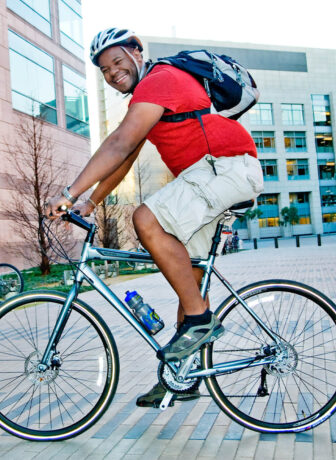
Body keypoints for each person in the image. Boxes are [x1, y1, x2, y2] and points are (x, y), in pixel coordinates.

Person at [45, 28, 263, 407]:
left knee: (146, 219)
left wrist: (70, 193)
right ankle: (182, 376)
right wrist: (92, 202)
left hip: (225, 168)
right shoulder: (149, 96)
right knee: (189, 281)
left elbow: (119, 143)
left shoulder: (161, 78)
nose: (113, 73)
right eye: (105, 71)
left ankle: (200, 321)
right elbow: (125, 157)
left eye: (117, 62)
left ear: (136, 52)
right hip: (213, 177)